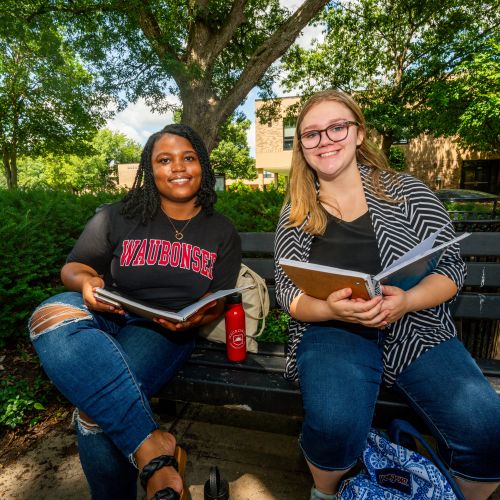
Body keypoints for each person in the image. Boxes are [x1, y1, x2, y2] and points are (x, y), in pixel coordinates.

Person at [274, 90, 500, 500]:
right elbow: (288, 290)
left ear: (359, 133)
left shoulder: (407, 191)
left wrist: (408, 300)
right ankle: (326, 494)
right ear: (301, 147)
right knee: (334, 423)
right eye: (311, 134)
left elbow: (451, 267)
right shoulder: (298, 209)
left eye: (337, 127)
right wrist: (327, 308)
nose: (325, 140)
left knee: (487, 429)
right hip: (333, 330)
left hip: (415, 326)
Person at [29, 124, 241, 500]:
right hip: (108, 309)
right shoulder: (118, 216)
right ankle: (154, 447)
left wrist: (199, 316)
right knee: (48, 315)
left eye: (188, 158)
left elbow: (219, 300)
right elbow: (72, 267)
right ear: (150, 168)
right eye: (165, 159)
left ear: (202, 166)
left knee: (95, 409)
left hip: (162, 330)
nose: (178, 167)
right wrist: (85, 284)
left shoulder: (221, 231)